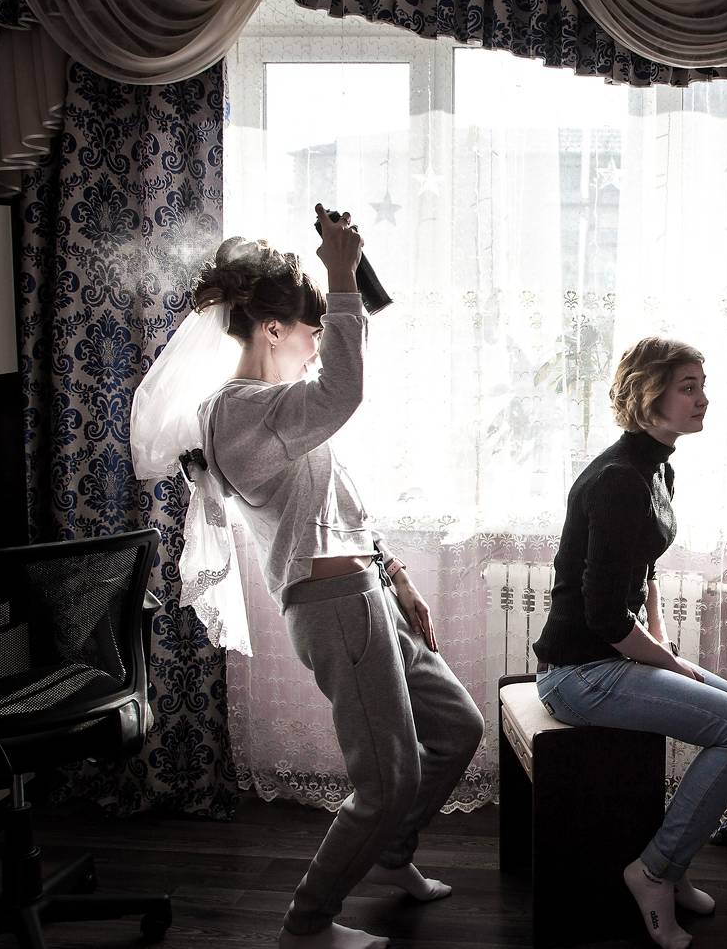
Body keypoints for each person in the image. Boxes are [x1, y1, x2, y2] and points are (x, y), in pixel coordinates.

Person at [194, 207, 484, 949]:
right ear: (272, 331)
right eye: (310, 330)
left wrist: (398, 576)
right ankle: (307, 922)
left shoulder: (281, 414)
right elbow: (344, 391)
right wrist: (342, 277)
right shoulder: (240, 413)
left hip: (369, 595)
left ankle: (390, 850)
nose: (319, 342)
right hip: (333, 608)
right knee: (385, 781)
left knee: (458, 728)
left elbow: (340, 502)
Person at [532, 338, 727, 949]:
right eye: (688, 387)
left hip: (608, 659)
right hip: (579, 674)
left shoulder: (655, 466)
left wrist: (665, 649)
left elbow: (645, 571)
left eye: (702, 385)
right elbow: (604, 617)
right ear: (648, 394)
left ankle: (673, 859)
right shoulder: (618, 480)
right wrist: (667, 663)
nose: (703, 399)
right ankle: (655, 871)